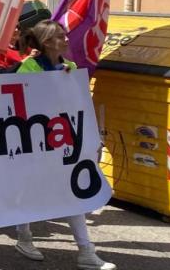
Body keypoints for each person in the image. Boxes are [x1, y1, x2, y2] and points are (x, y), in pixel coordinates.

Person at [13, 20, 116, 270]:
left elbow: (80, 104)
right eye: (61, 36)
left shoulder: (70, 67)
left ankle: (86, 251)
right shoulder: (28, 68)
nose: (67, 40)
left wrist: (91, 136)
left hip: (66, 141)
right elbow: (21, 106)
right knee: (29, 191)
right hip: (36, 142)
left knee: (73, 193)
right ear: (47, 42)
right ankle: (24, 236)